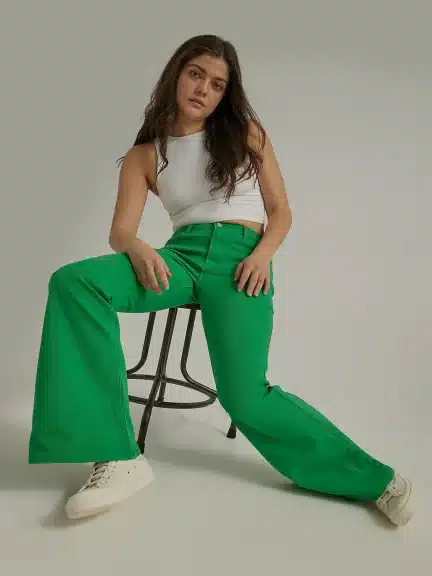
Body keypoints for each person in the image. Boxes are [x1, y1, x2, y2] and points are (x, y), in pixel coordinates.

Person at [28, 34, 413, 526]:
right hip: (179, 260)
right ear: (176, 74)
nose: (203, 89)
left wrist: (262, 255)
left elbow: (281, 211)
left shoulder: (247, 133)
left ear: (224, 94)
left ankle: (376, 480)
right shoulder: (146, 153)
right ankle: (119, 456)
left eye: (216, 84)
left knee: (246, 395)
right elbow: (120, 231)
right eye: (196, 75)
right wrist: (138, 246)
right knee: (75, 282)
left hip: (241, 262)